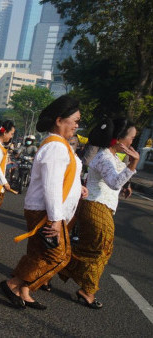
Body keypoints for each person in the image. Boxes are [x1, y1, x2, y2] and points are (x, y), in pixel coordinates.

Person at [0, 95, 86, 310]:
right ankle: (13, 284)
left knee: (38, 253)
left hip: (48, 211)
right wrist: (56, 220)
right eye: (74, 120)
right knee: (59, 256)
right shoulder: (56, 147)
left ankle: (23, 291)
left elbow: (65, 177)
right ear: (59, 120)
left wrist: (78, 187)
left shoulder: (61, 145)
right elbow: (51, 185)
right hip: (47, 213)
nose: (77, 125)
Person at [59, 118, 139, 309]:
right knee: (101, 250)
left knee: (89, 249)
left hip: (101, 207)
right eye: (131, 138)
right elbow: (114, 182)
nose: (132, 143)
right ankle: (87, 290)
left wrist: (128, 177)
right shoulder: (104, 156)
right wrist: (134, 162)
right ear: (118, 139)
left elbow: (118, 180)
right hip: (96, 206)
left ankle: (53, 267)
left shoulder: (112, 157)